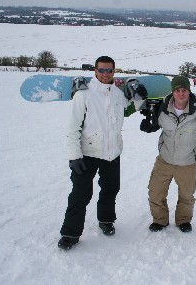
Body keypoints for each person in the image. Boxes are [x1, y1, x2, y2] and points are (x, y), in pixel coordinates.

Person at [57, 56, 147, 250]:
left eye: (109, 70)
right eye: (101, 70)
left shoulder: (117, 94)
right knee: (81, 194)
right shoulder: (84, 94)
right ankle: (70, 233)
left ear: (114, 72)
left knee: (110, 189)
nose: (105, 74)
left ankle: (106, 220)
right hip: (87, 153)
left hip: (112, 153)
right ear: (95, 71)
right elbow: (72, 128)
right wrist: (74, 156)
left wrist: (139, 96)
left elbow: (132, 108)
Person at [140, 76, 196, 233]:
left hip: (188, 163)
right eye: (177, 90)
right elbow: (152, 122)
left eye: (184, 90)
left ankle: (183, 220)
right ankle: (160, 220)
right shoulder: (162, 108)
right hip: (165, 160)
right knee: (155, 192)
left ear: (189, 91)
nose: (181, 94)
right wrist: (148, 124)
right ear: (172, 92)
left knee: (187, 196)